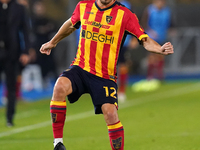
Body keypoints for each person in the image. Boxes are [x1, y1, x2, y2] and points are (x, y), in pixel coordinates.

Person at [40, 0, 174, 150]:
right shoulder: (83, 6)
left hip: (104, 75)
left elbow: (144, 39)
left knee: (110, 114)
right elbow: (71, 24)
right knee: (59, 86)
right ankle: (58, 143)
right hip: (81, 67)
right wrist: (53, 42)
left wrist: (159, 49)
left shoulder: (124, 14)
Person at [0, 0, 30, 127]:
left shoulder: (19, 8)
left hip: (12, 52)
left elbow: (26, 30)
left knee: (11, 86)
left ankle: (9, 118)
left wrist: (26, 51)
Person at [141, 0, 172, 81]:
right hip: (151, 38)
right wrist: (150, 31)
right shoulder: (149, 10)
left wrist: (170, 30)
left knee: (160, 57)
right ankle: (150, 77)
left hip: (162, 37)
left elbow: (170, 23)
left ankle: (160, 77)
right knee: (151, 57)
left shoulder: (166, 11)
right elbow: (143, 23)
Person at [117, 0, 132, 102]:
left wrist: (134, 37)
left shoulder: (127, 5)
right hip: (110, 41)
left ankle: (122, 91)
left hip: (124, 41)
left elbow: (133, 22)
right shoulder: (106, 4)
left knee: (122, 65)